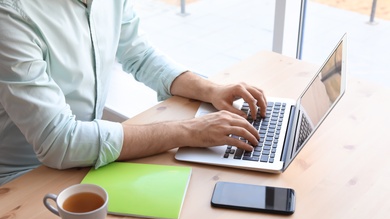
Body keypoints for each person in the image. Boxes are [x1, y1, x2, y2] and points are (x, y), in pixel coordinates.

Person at [0, 0, 267, 185]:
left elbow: (139, 54)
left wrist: (210, 90)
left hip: (84, 162)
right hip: (22, 180)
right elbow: (59, 140)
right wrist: (190, 131)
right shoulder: (10, 14)